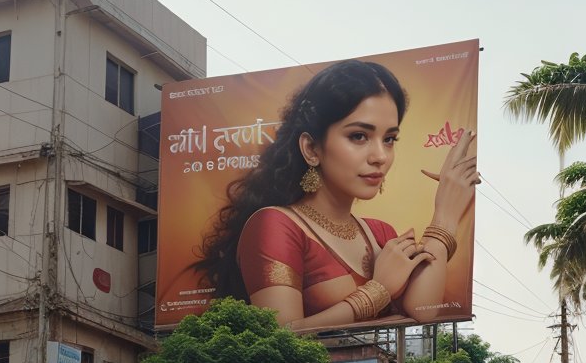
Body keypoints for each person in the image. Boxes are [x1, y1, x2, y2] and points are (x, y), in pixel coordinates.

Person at [200, 58, 480, 333]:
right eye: (359, 136)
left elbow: (423, 311)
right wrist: (378, 290)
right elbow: (279, 339)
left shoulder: (380, 234)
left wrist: (446, 213)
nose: (380, 157)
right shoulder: (275, 225)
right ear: (311, 148)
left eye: (389, 139)